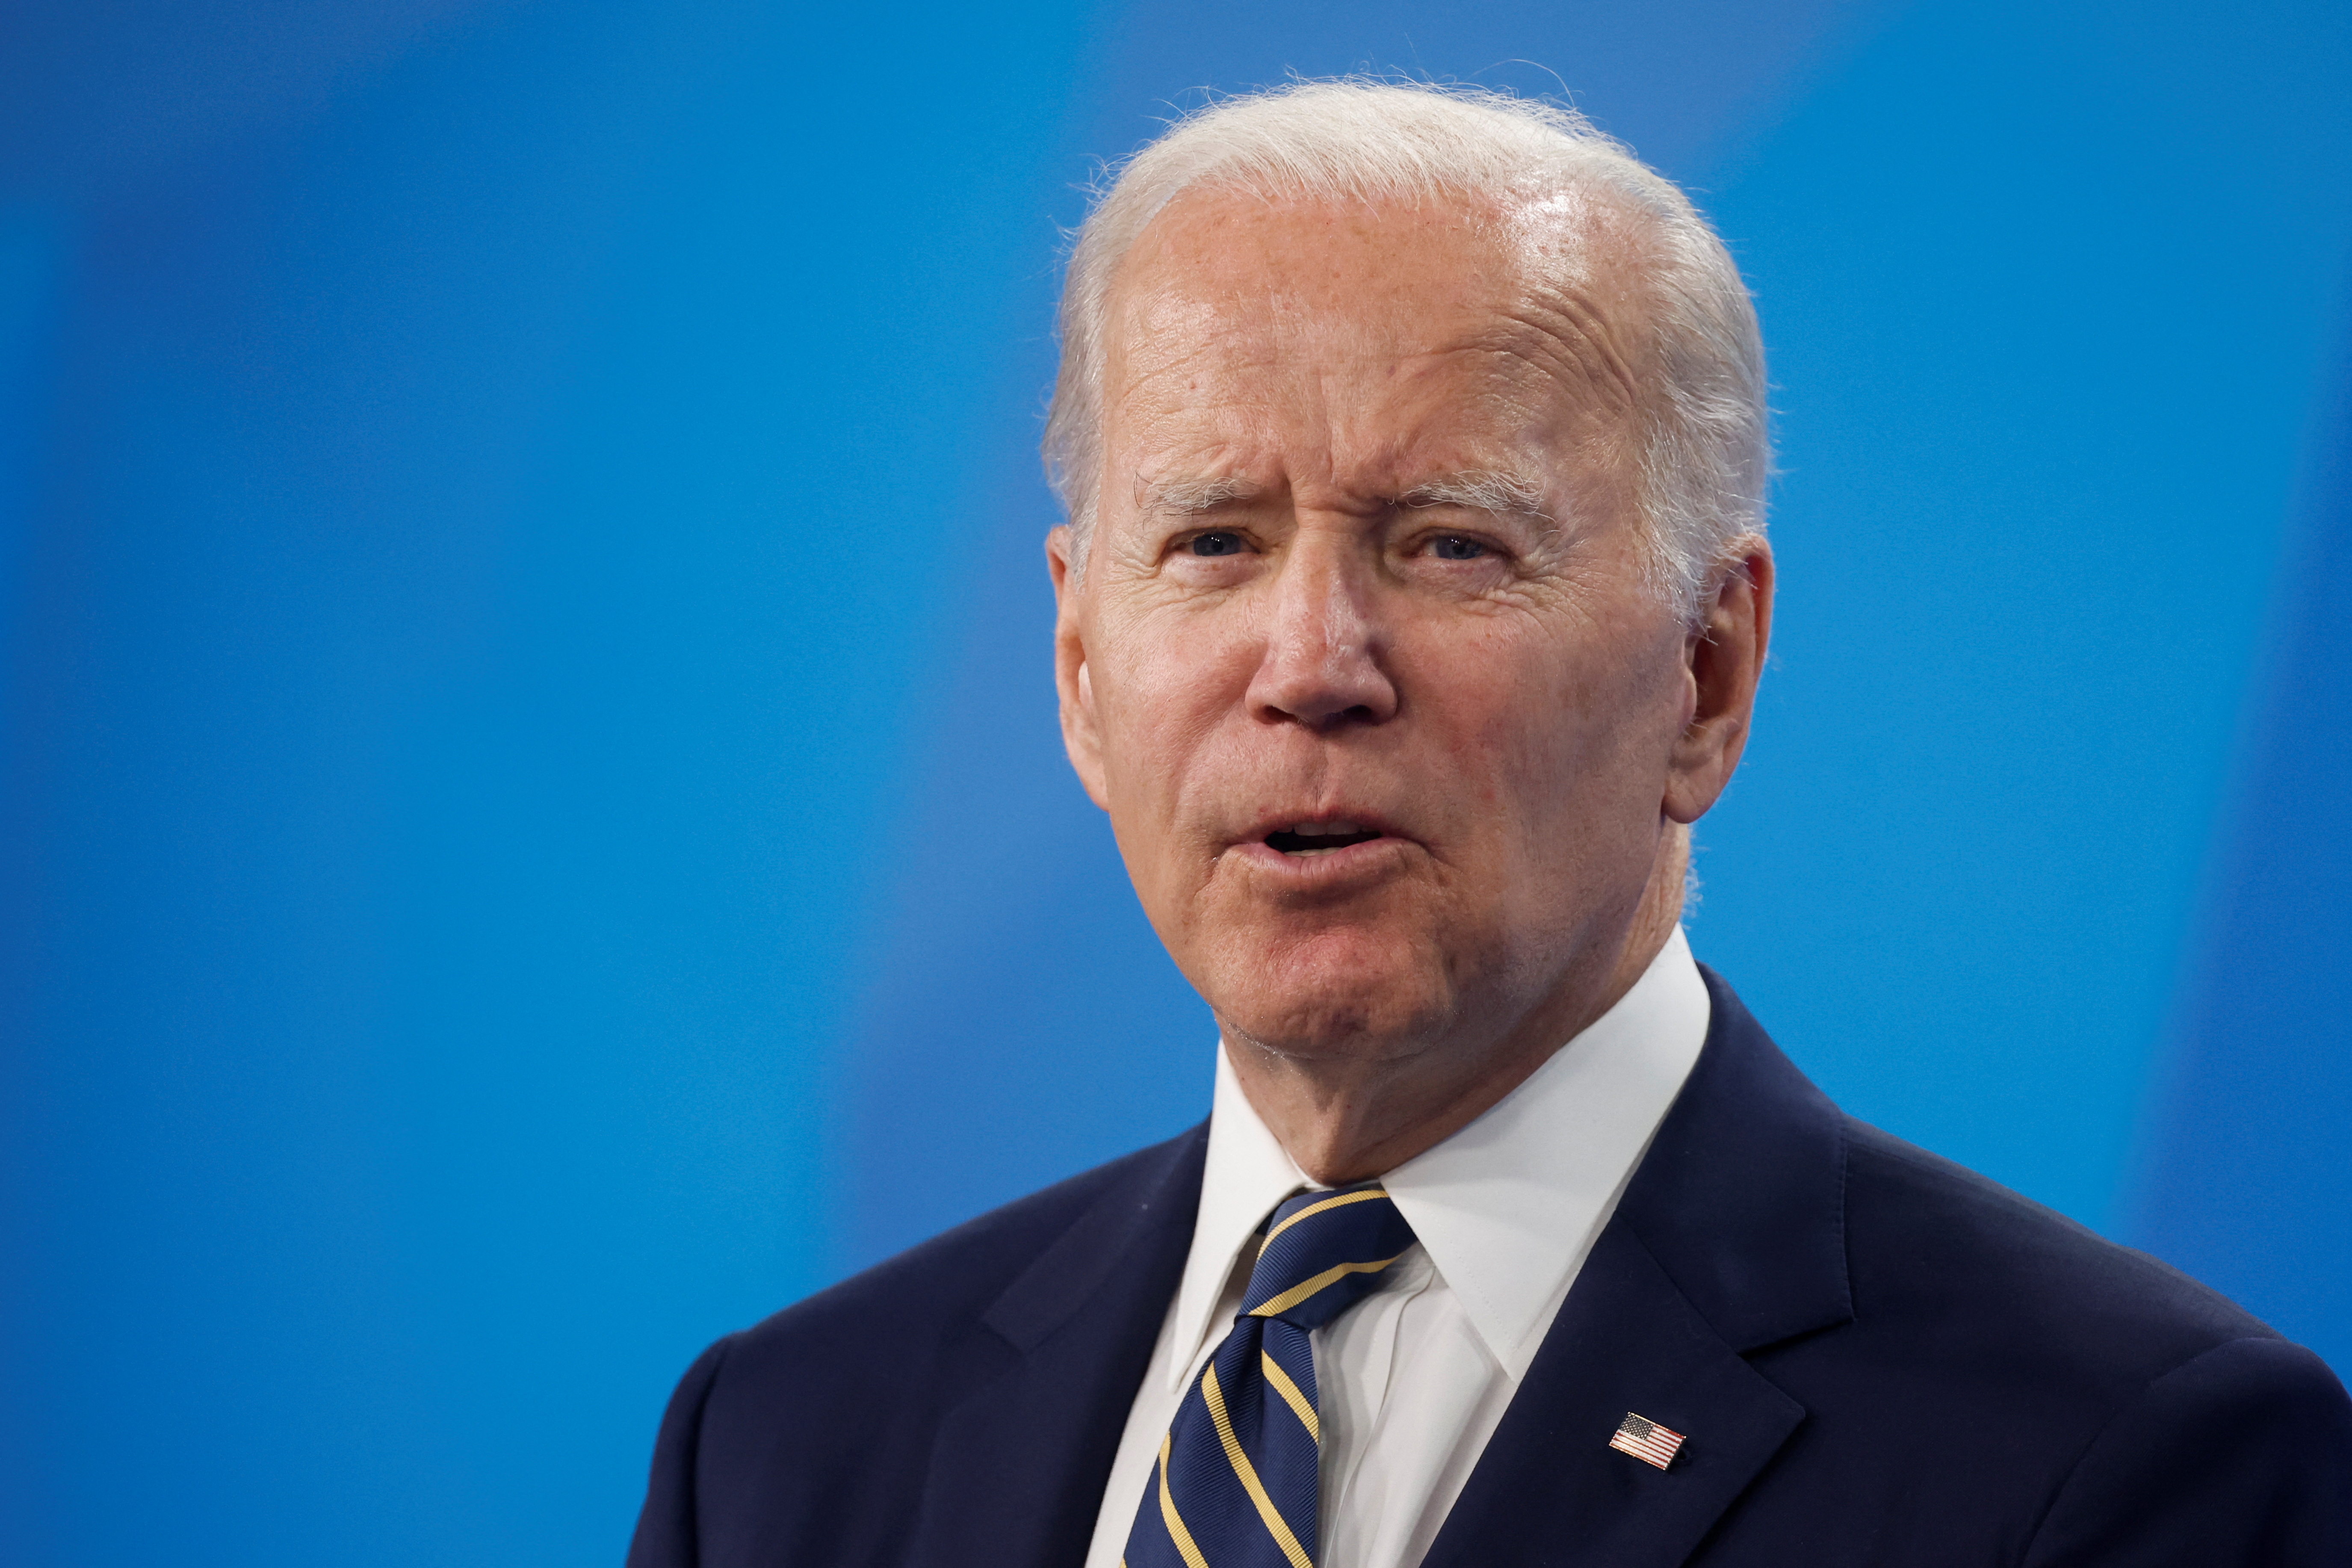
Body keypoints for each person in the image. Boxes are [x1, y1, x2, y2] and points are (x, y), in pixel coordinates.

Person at [624, 81, 2352, 1568]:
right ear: (1081, 668)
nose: (1308, 665)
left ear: (1707, 672)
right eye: (1215, 539)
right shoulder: (785, 1444)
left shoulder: (2126, 1463)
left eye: (1451, 542)